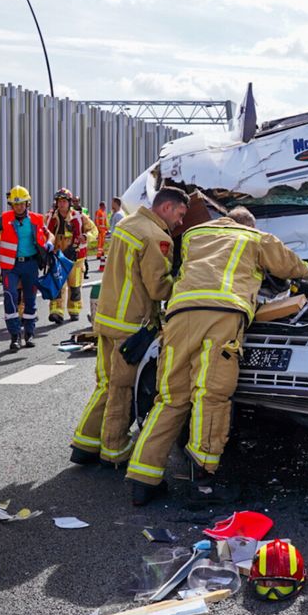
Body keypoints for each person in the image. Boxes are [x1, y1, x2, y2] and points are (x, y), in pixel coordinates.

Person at [127, 205, 308, 506]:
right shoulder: (254, 237)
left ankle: (143, 480)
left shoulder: (194, 236)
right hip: (221, 317)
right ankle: (203, 484)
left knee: (170, 398)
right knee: (210, 395)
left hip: (180, 315)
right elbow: (290, 265)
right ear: (247, 224)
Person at [70, 186, 186, 470]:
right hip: (130, 326)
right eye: (180, 215)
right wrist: (183, 280)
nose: (181, 222)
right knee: (122, 389)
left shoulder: (127, 223)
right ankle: (115, 450)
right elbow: (158, 288)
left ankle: (85, 444)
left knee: (105, 384)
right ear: (167, 208)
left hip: (107, 319)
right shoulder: (157, 237)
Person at [0, 185, 51, 350]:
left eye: (22, 203)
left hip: (31, 264)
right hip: (10, 265)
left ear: (28, 203)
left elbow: (49, 235)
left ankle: (30, 333)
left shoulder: (37, 219)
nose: (19, 207)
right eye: (15, 204)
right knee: (10, 297)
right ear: (11, 204)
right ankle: (15, 335)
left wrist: (49, 243)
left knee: (30, 299)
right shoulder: (4, 218)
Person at [46, 189, 98, 323]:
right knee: (58, 285)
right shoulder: (51, 217)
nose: (61, 204)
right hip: (58, 257)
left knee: (75, 286)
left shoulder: (79, 217)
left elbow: (94, 230)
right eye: (59, 201)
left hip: (76, 257)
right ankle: (57, 311)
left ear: (69, 203)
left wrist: (86, 237)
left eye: (64, 201)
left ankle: (74, 310)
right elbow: (45, 232)